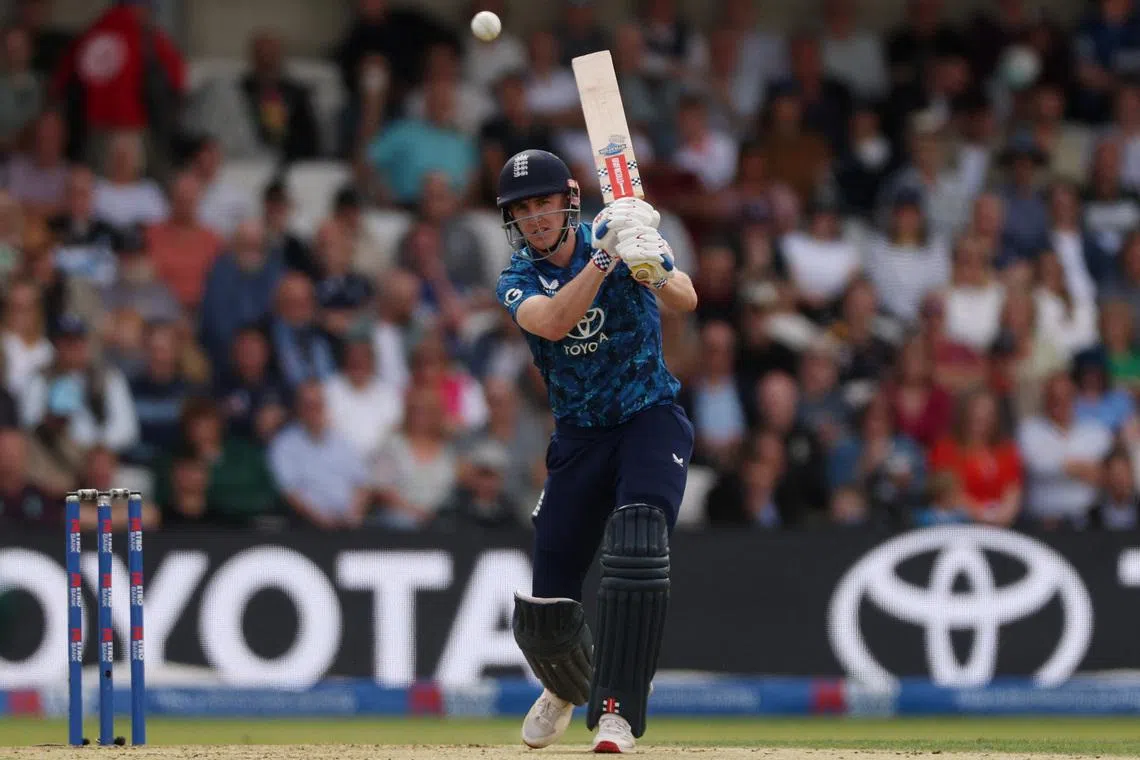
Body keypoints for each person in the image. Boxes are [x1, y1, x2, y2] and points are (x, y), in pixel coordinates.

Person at [494, 149, 698, 753]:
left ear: (569, 198)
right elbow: (555, 322)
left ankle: (617, 711)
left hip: (648, 419)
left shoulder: (623, 232)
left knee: (637, 546)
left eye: (544, 202)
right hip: (579, 438)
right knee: (545, 611)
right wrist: (607, 258)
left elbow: (685, 297)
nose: (535, 217)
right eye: (522, 208)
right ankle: (565, 685)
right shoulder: (516, 279)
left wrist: (650, 264)